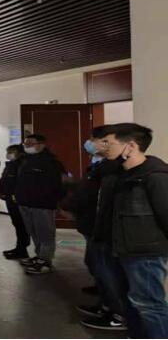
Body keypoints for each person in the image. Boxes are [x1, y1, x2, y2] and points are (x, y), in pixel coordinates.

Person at [100, 123, 168, 338]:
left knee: (149, 305)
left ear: (130, 146)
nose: (103, 147)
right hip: (120, 250)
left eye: (108, 143)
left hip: (144, 254)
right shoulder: (119, 175)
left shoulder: (155, 176)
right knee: (129, 301)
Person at [61, 126, 127, 331]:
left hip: (103, 227)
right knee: (96, 265)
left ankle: (118, 313)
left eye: (102, 141)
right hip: (92, 225)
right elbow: (87, 192)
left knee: (108, 270)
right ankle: (106, 304)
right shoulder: (100, 165)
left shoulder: (116, 168)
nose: (91, 143)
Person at [16, 134, 65, 274]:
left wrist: (55, 201)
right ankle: (39, 256)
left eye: (31, 143)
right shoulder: (25, 160)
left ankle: (46, 260)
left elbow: (59, 185)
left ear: (42, 145)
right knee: (34, 232)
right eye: (26, 143)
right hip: (25, 203)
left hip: (43, 204)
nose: (27, 146)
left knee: (45, 233)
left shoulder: (51, 163)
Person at [0, 144, 30, 259]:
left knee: (21, 224)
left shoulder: (23, 165)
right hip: (9, 198)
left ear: (20, 153)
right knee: (17, 224)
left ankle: (22, 249)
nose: (8, 154)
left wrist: (13, 194)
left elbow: (20, 183)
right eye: (8, 151)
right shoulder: (11, 164)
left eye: (11, 152)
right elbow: (4, 179)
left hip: (18, 199)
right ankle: (19, 248)